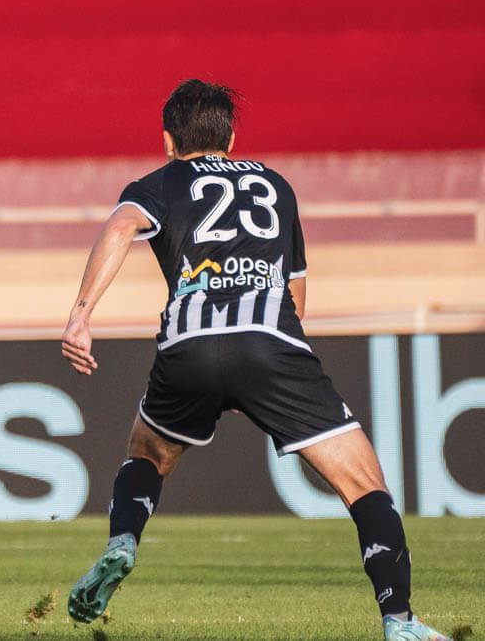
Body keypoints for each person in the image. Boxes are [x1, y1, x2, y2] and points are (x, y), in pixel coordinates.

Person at [60, 79, 451, 641]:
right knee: (365, 484)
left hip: (188, 344)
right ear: (231, 139)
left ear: (168, 140)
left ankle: (123, 540)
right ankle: (400, 622)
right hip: (270, 343)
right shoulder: (276, 186)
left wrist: (81, 314)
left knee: (146, 453)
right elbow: (294, 291)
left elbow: (122, 226)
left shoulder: (158, 183)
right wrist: (266, 377)